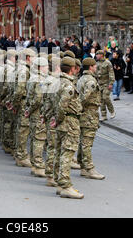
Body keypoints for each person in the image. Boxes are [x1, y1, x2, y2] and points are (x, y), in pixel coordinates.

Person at [51, 57, 84, 199]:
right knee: (67, 153)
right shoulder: (69, 86)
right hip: (69, 121)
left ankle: (59, 182)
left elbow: (52, 102)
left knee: (59, 152)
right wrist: (58, 119)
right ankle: (65, 185)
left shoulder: (58, 81)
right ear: (72, 69)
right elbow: (62, 105)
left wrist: (55, 119)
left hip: (61, 122)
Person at [77, 57, 105, 180]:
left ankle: (83, 166)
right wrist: (80, 108)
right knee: (87, 142)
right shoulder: (91, 81)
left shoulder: (80, 79)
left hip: (84, 114)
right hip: (89, 114)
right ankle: (89, 168)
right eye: (94, 66)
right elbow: (84, 97)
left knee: (82, 141)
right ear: (91, 67)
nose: (96, 67)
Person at [96, 50, 116, 121]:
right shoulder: (97, 63)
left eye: (97, 54)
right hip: (99, 83)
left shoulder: (107, 63)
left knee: (105, 97)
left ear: (101, 55)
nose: (96, 56)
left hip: (107, 83)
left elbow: (111, 73)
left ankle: (112, 111)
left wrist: (111, 83)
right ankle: (103, 115)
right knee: (101, 100)